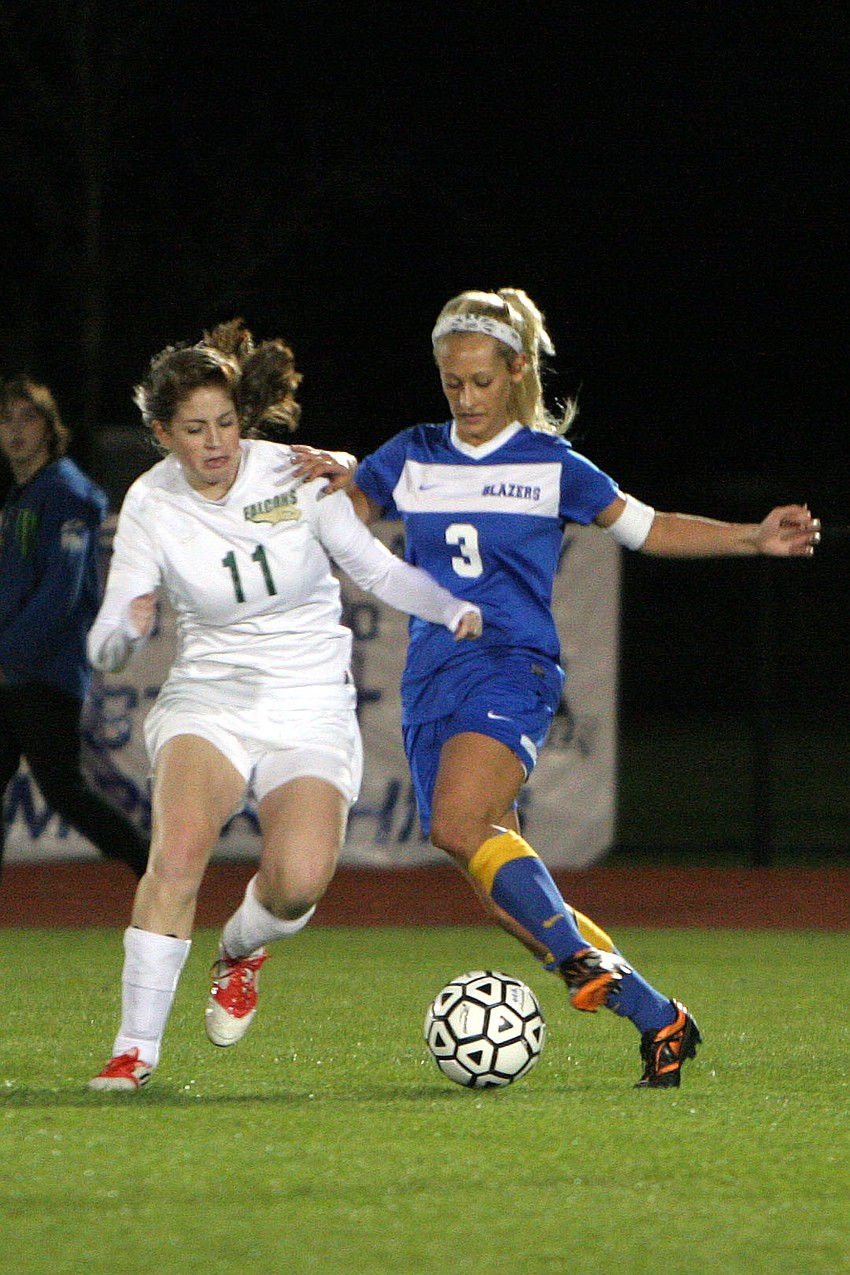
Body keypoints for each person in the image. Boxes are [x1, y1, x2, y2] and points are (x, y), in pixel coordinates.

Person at [295, 287, 820, 1089]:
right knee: (505, 897)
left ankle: (582, 960)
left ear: (515, 372)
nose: (465, 399)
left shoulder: (550, 465)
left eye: (480, 380)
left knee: (456, 824)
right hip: (431, 674)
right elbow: (342, 514)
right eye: (451, 383)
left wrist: (751, 535)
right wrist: (329, 473)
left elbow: (648, 526)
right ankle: (660, 1019)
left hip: (513, 666)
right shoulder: (412, 453)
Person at [85, 320, 481, 1092]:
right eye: (194, 429)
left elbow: (375, 567)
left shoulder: (297, 473)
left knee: (298, 880)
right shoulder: (150, 503)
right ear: (162, 432)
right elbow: (110, 625)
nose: (215, 444)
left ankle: (237, 951)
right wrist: (120, 638)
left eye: (226, 423)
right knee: (176, 853)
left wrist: (446, 605)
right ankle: (134, 1049)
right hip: (210, 698)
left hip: (309, 703)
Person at [0, 376, 149, 881]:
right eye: (6, 419)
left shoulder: (64, 491)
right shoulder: (24, 496)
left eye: (28, 418)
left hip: (44, 671)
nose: (15, 430)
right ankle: (150, 865)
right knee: (60, 787)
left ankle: (153, 866)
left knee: (64, 789)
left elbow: (60, 595)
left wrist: (8, 653)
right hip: (16, 669)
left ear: (50, 428)